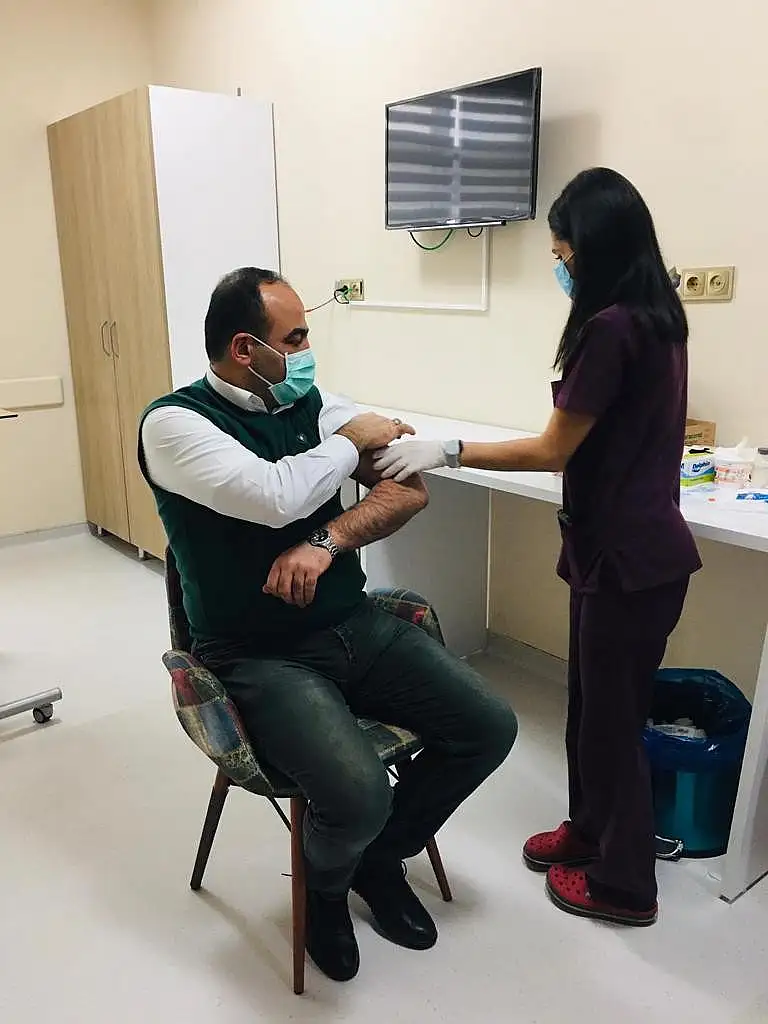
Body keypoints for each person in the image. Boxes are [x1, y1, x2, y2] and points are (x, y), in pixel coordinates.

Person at [139, 268, 518, 982]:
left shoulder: (314, 404)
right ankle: (326, 889)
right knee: (357, 793)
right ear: (245, 349)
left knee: (488, 727)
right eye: (296, 339)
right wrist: (351, 442)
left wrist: (328, 540)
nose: (309, 353)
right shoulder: (175, 424)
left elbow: (408, 490)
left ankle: (377, 859)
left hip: (353, 622)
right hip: (255, 653)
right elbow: (274, 496)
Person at [374, 168, 701, 927]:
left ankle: (625, 884)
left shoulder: (614, 327)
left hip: (628, 560)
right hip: (620, 552)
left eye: (562, 253)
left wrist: (447, 448)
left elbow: (554, 449)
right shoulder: (658, 319)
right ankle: (589, 831)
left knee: (612, 722)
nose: (560, 266)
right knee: (589, 708)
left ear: (596, 249)